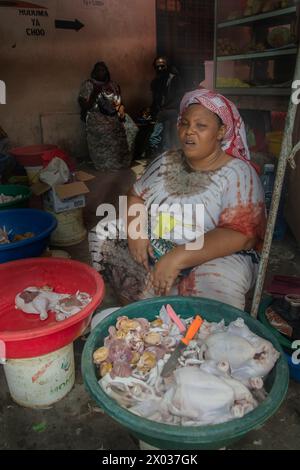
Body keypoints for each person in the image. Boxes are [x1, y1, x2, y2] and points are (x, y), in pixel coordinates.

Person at [89, 88, 266, 311]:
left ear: (221, 132)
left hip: (210, 256)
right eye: (185, 124)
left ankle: (197, 335)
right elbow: (135, 195)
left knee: (217, 278)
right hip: (159, 243)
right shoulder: (166, 161)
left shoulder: (237, 173)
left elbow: (243, 236)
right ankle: (134, 316)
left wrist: (176, 257)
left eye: (201, 126)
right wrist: (137, 233)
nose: (189, 131)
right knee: (104, 233)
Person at [78, 61, 131, 171]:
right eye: (99, 70)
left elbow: (119, 103)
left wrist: (122, 114)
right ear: (94, 72)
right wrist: (94, 93)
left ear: (107, 72)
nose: (101, 72)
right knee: (105, 130)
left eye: (103, 70)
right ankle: (104, 165)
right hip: (97, 117)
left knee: (127, 129)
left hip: (113, 116)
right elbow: (84, 105)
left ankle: (119, 163)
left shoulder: (113, 85)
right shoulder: (89, 84)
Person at [147, 56, 184, 155]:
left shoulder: (175, 79)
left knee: (166, 134)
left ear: (167, 66)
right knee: (156, 136)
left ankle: (167, 156)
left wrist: (164, 110)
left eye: (162, 66)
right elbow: (155, 100)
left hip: (172, 112)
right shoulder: (155, 82)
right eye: (157, 66)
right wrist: (151, 110)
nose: (159, 69)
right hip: (161, 113)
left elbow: (179, 99)